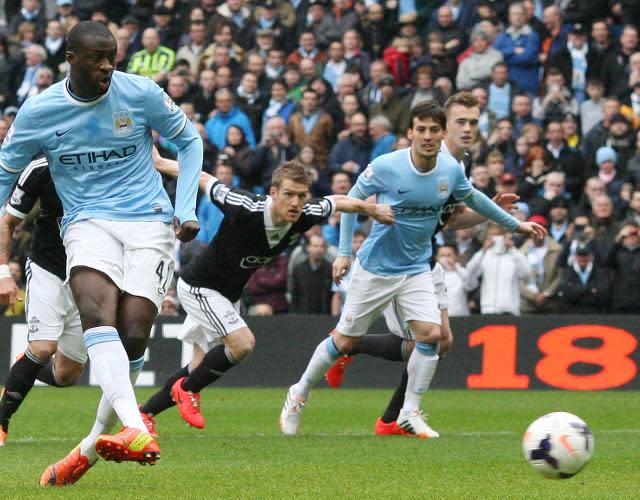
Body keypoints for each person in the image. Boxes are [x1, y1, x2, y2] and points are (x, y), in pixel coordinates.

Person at [0, 22, 203, 486]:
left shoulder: (140, 93)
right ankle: (137, 428)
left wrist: (185, 209)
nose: (107, 66)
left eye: (113, 56)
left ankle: (89, 447)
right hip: (84, 224)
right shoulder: (39, 112)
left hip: (148, 221)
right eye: (97, 58)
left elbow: (190, 141)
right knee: (98, 316)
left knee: (134, 336)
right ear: (71, 58)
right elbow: (1, 177)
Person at [280, 100, 545, 438]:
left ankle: (408, 412)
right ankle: (299, 391)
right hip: (376, 268)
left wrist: (515, 225)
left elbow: (475, 200)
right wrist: (344, 254)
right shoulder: (387, 166)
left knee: (432, 337)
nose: (428, 136)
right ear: (410, 133)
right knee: (344, 341)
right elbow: (349, 202)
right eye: (421, 129)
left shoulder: (451, 171)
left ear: (442, 133)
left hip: (417, 267)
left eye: (435, 130)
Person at [138, 159, 394, 434]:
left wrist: (373, 209)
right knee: (243, 344)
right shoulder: (244, 206)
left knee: (199, 366)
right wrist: (159, 162)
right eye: (288, 194)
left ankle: (145, 413)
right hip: (200, 287)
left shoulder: (307, 213)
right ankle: (186, 390)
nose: (296, 202)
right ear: (273, 193)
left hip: (227, 295)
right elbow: (203, 178)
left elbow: (340, 201)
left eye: (301, 195)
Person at [0, 158, 88, 448]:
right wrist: (3, 274)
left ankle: (25, 366)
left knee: (67, 375)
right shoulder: (41, 169)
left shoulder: (109, 162)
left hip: (89, 275)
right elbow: (8, 222)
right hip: (47, 268)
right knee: (43, 347)